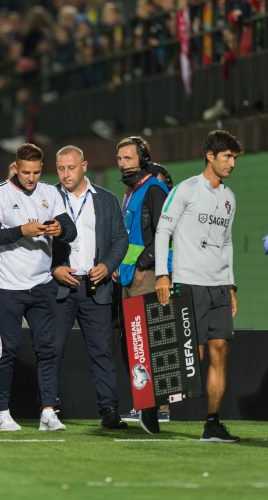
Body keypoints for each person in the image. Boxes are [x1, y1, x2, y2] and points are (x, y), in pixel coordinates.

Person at [155, 129, 243, 443]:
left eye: (234, 158)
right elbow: (163, 231)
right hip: (190, 283)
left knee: (220, 353)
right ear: (210, 156)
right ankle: (156, 405)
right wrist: (162, 275)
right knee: (195, 354)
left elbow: (228, 243)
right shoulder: (186, 190)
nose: (232, 163)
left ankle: (212, 423)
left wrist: (231, 285)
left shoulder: (230, 198)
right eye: (227, 157)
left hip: (219, 286)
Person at [0, 143, 77, 432]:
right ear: (16, 167)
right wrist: (21, 231)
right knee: (8, 350)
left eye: (36, 172)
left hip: (42, 284)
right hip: (8, 285)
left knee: (47, 350)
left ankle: (48, 411)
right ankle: (1, 412)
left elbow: (70, 230)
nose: (31, 178)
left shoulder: (51, 193)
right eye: (26, 172)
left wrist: (58, 230)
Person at [52, 145, 129, 429]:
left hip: (97, 286)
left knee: (101, 351)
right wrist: (54, 269)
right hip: (61, 286)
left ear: (84, 166)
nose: (65, 174)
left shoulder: (106, 200)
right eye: (60, 168)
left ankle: (109, 410)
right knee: (52, 350)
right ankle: (49, 408)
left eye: (71, 167)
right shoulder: (48, 198)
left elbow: (121, 238)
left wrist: (108, 265)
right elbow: (37, 245)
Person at [116, 136, 172, 434]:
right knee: (134, 343)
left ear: (142, 158)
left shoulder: (153, 188)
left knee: (145, 341)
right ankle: (145, 403)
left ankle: (156, 408)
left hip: (145, 275)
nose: (123, 163)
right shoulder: (131, 190)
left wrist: (142, 266)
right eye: (120, 158)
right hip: (128, 276)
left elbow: (165, 231)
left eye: (128, 158)